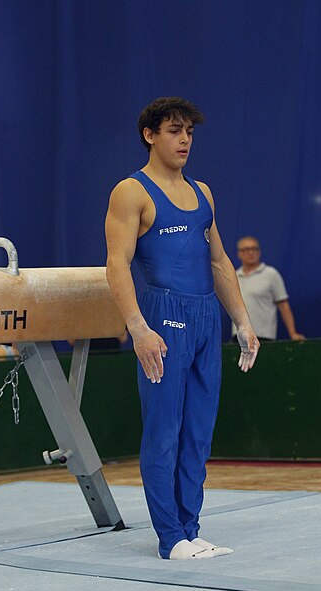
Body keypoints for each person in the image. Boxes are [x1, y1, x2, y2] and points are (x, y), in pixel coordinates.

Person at [105, 97, 260, 560]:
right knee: (164, 431)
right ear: (150, 135)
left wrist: (243, 321)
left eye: (189, 132)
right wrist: (138, 327)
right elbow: (117, 264)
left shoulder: (204, 193)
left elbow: (220, 263)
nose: (185, 139)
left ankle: (191, 529)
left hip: (206, 319)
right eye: (175, 130)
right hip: (162, 317)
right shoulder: (131, 192)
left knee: (197, 432)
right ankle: (170, 537)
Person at [232, 236, 305, 342]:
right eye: (246, 249)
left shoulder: (271, 274)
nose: (251, 252)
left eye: (254, 249)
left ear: (259, 252)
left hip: (264, 337)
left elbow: (283, 306)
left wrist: (293, 333)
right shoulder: (234, 277)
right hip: (239, 337)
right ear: (239, 254)